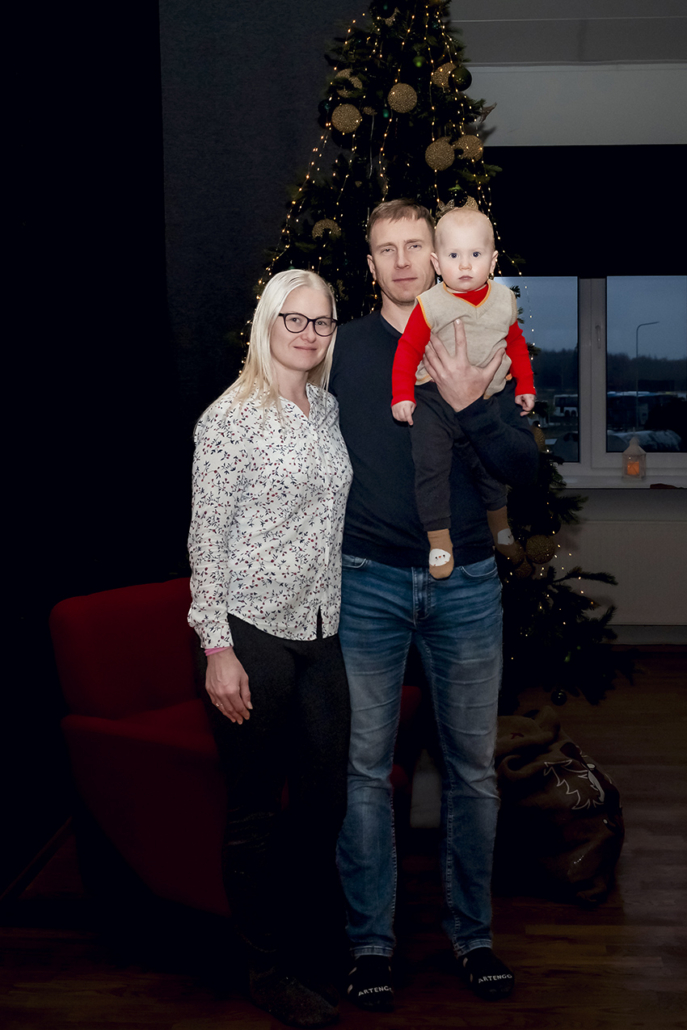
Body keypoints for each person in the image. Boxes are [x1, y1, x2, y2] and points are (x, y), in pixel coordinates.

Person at [329, 199, 539, 1010]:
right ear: (370, 264)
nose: (402, 260)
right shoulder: (341, 348)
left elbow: (521, 468)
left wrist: (472, 401)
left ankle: (471, 936)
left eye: (415, 245)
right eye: (385, 249)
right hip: (367, 581)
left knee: (471, 772)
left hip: (468, 584)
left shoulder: (482, 331)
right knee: (363, 770)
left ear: (443, 254)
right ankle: (369, 945)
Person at [187, 269, 353, 1029]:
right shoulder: (229, 418)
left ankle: (302, 942)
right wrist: (216, 649)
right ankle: (265, 969)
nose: (309, 334)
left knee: (323, 802)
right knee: (255, 808)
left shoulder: (326, 408)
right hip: (249, 631)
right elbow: (206, 540)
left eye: (322, 322)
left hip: (320, 628)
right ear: (268, 322)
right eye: (296, 319)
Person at [391, 206, 535, 578]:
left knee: (487, 468)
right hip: (433, 400)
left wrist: (525, 384)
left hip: (484, 398)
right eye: (454, 255)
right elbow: (408, 349)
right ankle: (440, 541)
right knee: (431, 466)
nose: (465, 264)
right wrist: (402, 394)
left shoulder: (503, 300)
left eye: (475, 254)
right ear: (437, 263)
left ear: (493, 260)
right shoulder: (431, 304)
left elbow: (515, 344)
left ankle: (500, 527)